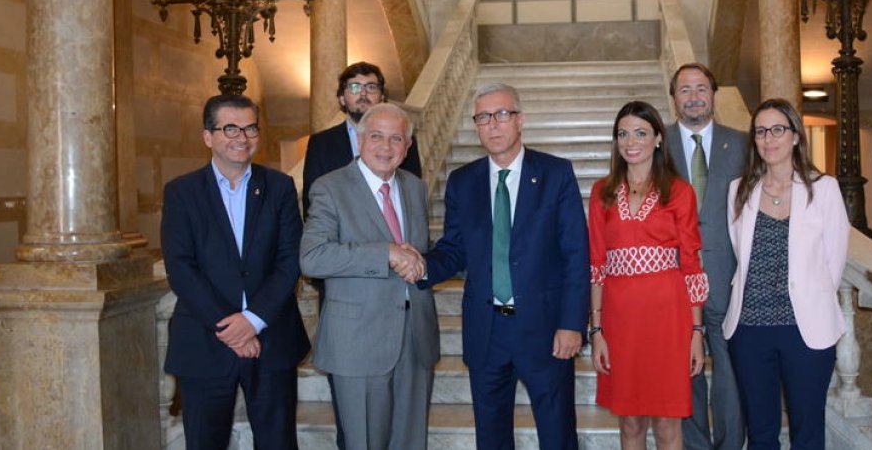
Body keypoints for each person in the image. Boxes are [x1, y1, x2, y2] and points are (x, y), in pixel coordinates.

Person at [422, 82, 590, 450]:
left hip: (546, 330)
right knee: (491, 437)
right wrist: (421, 267)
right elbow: (454, 249)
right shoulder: (462, 181)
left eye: (502, 114)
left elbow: (576, 254)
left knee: (558, 434)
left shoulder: (555, 173)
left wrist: (572, 324)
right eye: (483, 117)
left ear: (520, 120)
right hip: (486, 331)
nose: (493, 125)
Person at [161, 94, 309, 450]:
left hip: (271, 340)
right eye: (230, 128)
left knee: (278, 442)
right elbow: (180, 267)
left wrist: (254, 320)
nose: (242, 137)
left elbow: (290, 260)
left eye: (250, 128)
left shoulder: (279, 187)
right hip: (205, 341)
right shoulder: (182, 192)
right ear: (208, 136)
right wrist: (231, 328)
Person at [300, 103, 440, 450]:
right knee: (365, 442)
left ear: (407, 148)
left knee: (411, 442)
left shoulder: (415, 187)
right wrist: (385, 252)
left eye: (397, 139)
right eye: (376, 136)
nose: (386, 147)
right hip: (358, 341)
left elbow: (421, 250)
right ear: (359, 140)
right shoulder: (329, 187)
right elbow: (313, 258)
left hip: (415, 338)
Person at [724, 98, 849, 450]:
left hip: (805, 330)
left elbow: (833, 263)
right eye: (761, 131)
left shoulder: (823, 189)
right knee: (761, 433)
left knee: (807, 432)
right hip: (749, 329)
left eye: (778, 129)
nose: (768, 139)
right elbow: (740, 253)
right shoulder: (739, 189)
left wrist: (808, 299)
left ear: (795, 136)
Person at [588, 101, 708, 450]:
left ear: (658, 138)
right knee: (630, 423)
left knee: (669, 424)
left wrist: (696, 332)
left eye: (640, 133)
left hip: (669, 319)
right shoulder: (602, 193)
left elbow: (691, 265)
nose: (630, 141)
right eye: (623, 134)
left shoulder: (680, 191)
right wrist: (597, 330)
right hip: (620, 321)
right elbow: (596, 266)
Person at [665, 63, 748, 450]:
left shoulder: (744, 144)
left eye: (701, 88)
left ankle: (731, 444)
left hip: (731, 274)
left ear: (714, 94)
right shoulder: (655, 143)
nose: (694, 97)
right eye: (685, 90)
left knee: (732, 372)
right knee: (683, 372)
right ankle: (695, 446)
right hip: (673, 279)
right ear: (673, 97)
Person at [302, 61, 423, 216]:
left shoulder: (402, 139)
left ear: (382, 97)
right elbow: (312, 202)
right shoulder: (321, 143)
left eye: (371, 87)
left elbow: (413, 196)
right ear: (342, 98)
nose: (363, 94)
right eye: (355, 87)